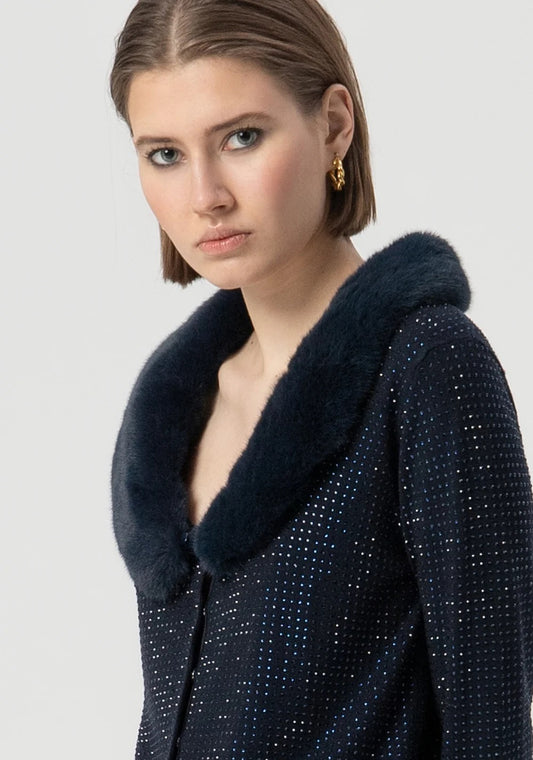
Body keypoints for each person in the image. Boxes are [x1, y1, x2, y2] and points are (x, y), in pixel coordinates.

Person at [110, 1, 533, 758]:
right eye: (165, 154)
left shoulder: (429, 369)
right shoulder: (176, 408)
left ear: (334, 125)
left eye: (242, 137)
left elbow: (491, 724)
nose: (205, 195)